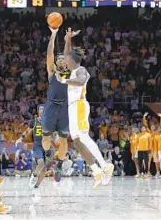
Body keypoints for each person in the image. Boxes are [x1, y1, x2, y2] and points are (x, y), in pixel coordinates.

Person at [56, 39, 114, 188]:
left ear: (72, 60)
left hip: (79, 105)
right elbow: (66, 52)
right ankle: (96, 170)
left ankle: (105, 166)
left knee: (83, 137)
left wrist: (65, 81)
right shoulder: (70, 71)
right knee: (77, 142)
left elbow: (81, 81)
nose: (65, 58)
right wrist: (67, 39)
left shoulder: (81, 70)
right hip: (72, 108)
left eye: (67, 58)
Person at [41, 27, 78, 182]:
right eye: (59, 59)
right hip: (51, 106)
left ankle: (59, 164)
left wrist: (68, 39)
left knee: (63, 140)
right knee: (46, 138)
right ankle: (49, 156)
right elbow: (49, 54)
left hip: (65, 107)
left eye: (63, 58)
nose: (61, 59)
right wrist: (53, 35)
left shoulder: (70, 72)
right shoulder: (52, 72)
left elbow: (69, 54)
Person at [16, 105, 47, 189]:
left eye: (43, 109)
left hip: (46, 146)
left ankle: (36, 186)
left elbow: (53, 133)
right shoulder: (34, 121)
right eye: (40, 109)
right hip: (37, 145)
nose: (42, 111)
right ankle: (34, 176)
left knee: (44, 170)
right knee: (41, 162)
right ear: (38, 111)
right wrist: (20, 139)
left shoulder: (49, 121)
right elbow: (27, 131)